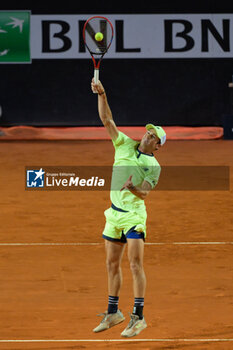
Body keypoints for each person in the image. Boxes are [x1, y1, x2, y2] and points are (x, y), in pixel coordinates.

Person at [91, 78, 166, 338]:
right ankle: (113, 312)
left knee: (135, 265)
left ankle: (139, 317)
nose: (148, 133)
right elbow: (107, 120)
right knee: (112, 264)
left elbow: (144, 192)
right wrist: (102, 94)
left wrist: (131, 188)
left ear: (157, 145)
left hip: (134, 216)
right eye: (148, 130)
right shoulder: (123, 143)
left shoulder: (153, 166)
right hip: (113, 215)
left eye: (153, 134)